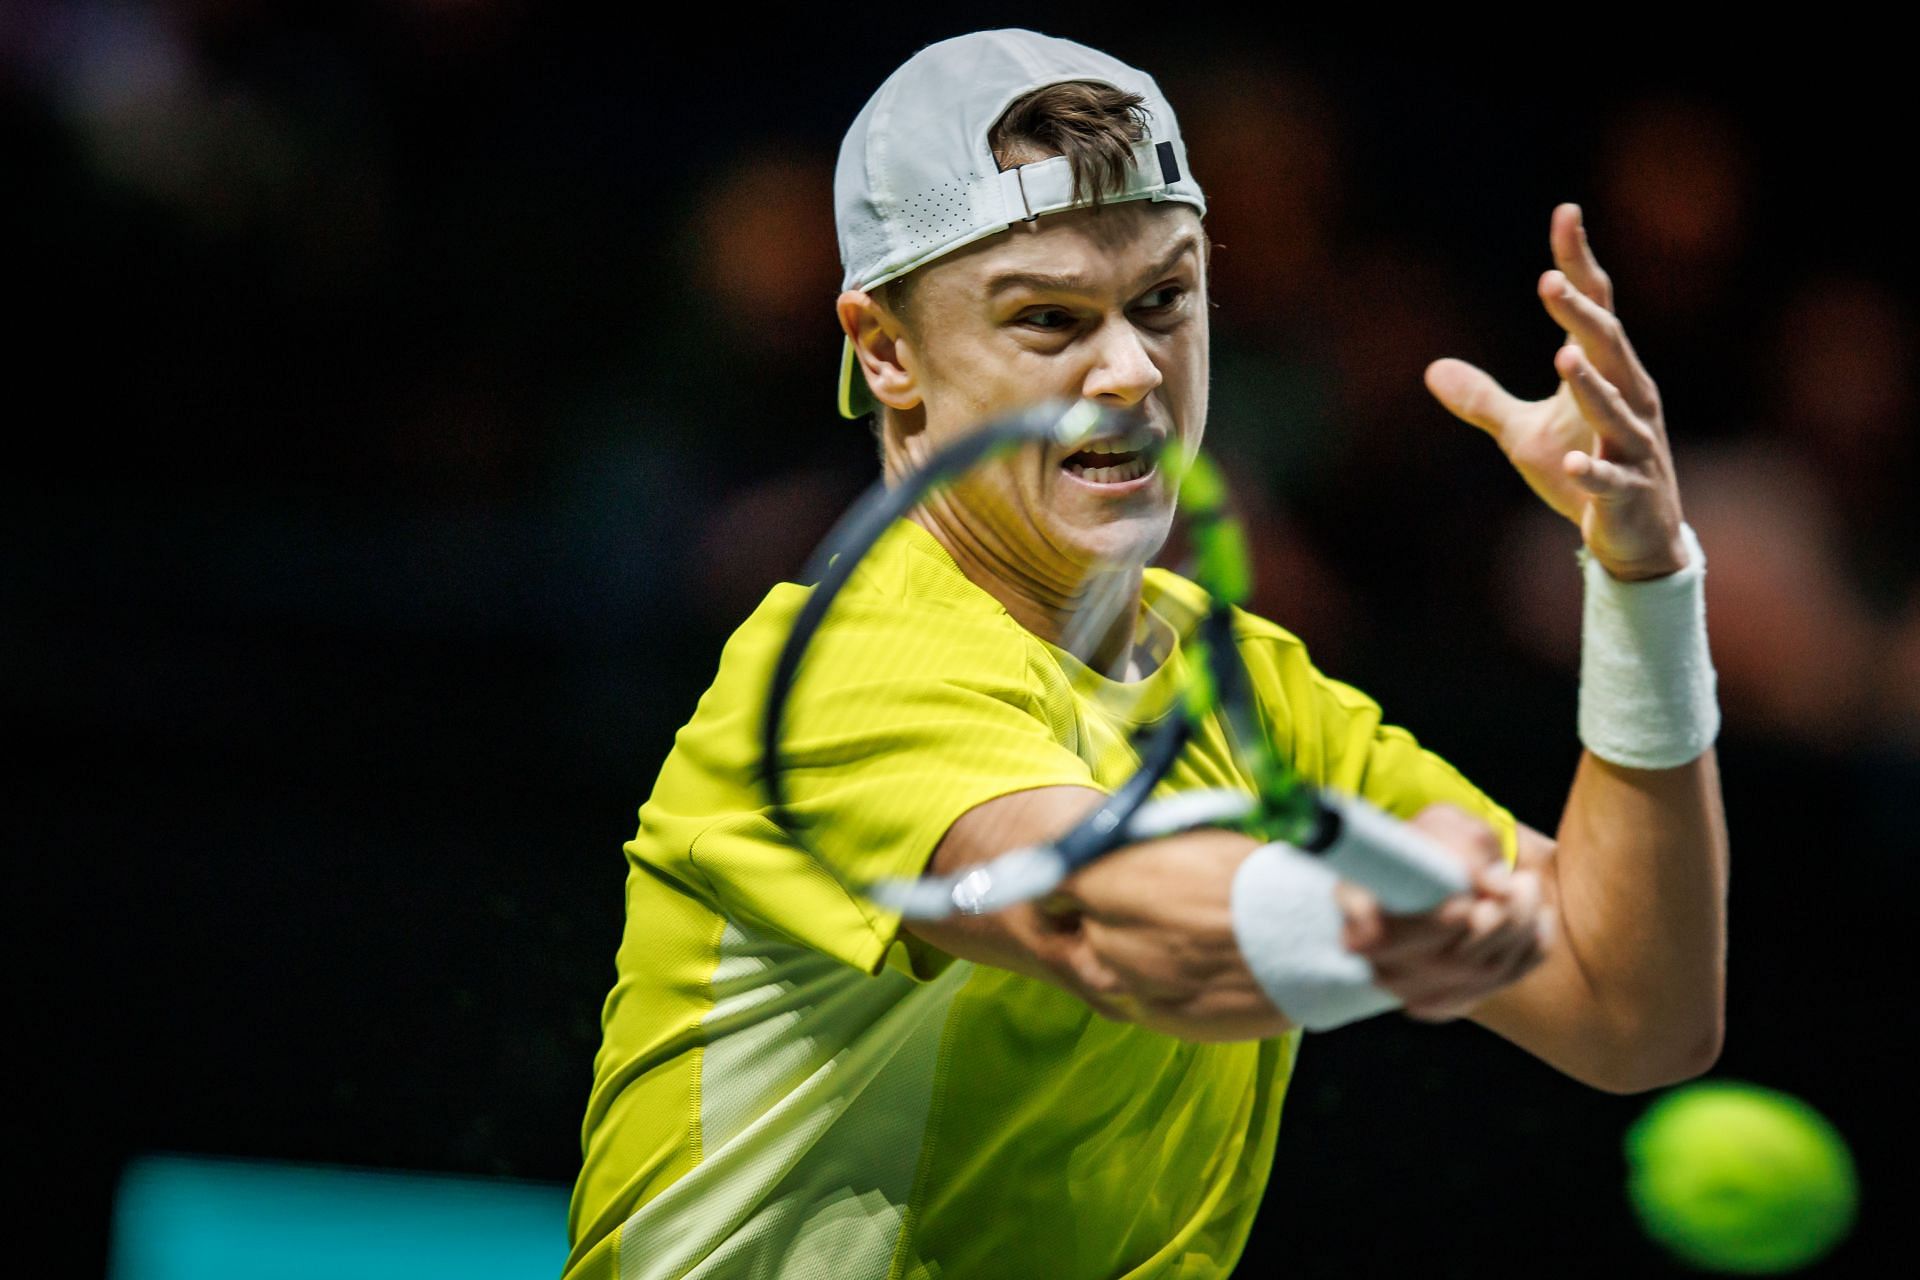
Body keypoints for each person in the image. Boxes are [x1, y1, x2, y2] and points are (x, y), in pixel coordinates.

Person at [563, 30, 1728, 1280]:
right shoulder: (847, 663)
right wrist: (1365, 912)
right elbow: (1096, 913)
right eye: (1050, 318)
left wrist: (1644, 584)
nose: (1130, 371)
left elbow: (1633, 1010)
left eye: (1164, 300)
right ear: (887, 349)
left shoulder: (1255, 685)